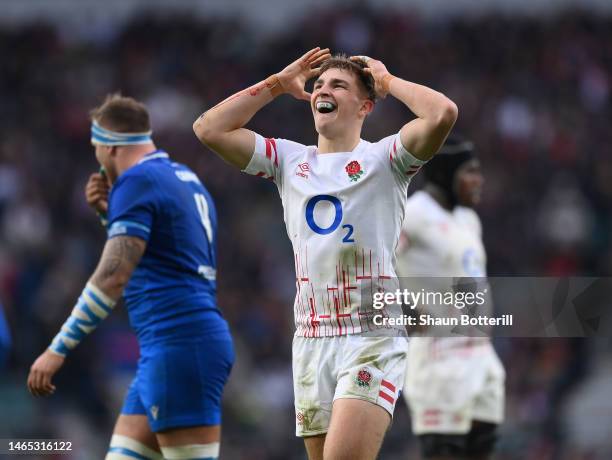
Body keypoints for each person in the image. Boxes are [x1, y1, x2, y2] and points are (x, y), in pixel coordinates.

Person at [193, 48, 457, 460]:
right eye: (318, 85)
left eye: (338, 85)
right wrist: (277, 85)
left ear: (365, 106)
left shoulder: (385, 159)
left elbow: (442, 113)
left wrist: (388, 82)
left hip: (370, 335)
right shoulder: (288, 161)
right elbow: (209, 128)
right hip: (312, 339)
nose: (323, 90)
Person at [27, 94, 234, 460]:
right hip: (175, 345)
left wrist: (56, 350)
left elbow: (112, 277)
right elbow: (159, 261)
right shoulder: (184, 178)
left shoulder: (136, 181)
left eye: (95, 148)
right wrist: (110, 218)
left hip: (179, 346)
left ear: (108, 147)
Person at [395, 137, 505, 460]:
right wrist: (401, 310)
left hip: (481, 355)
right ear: (446, 173)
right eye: (470, 171)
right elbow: (370, 260)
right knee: (445, 452)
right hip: (439, 357)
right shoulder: (411, 215)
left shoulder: (469, 219)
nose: (479, 180)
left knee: (484, 448)